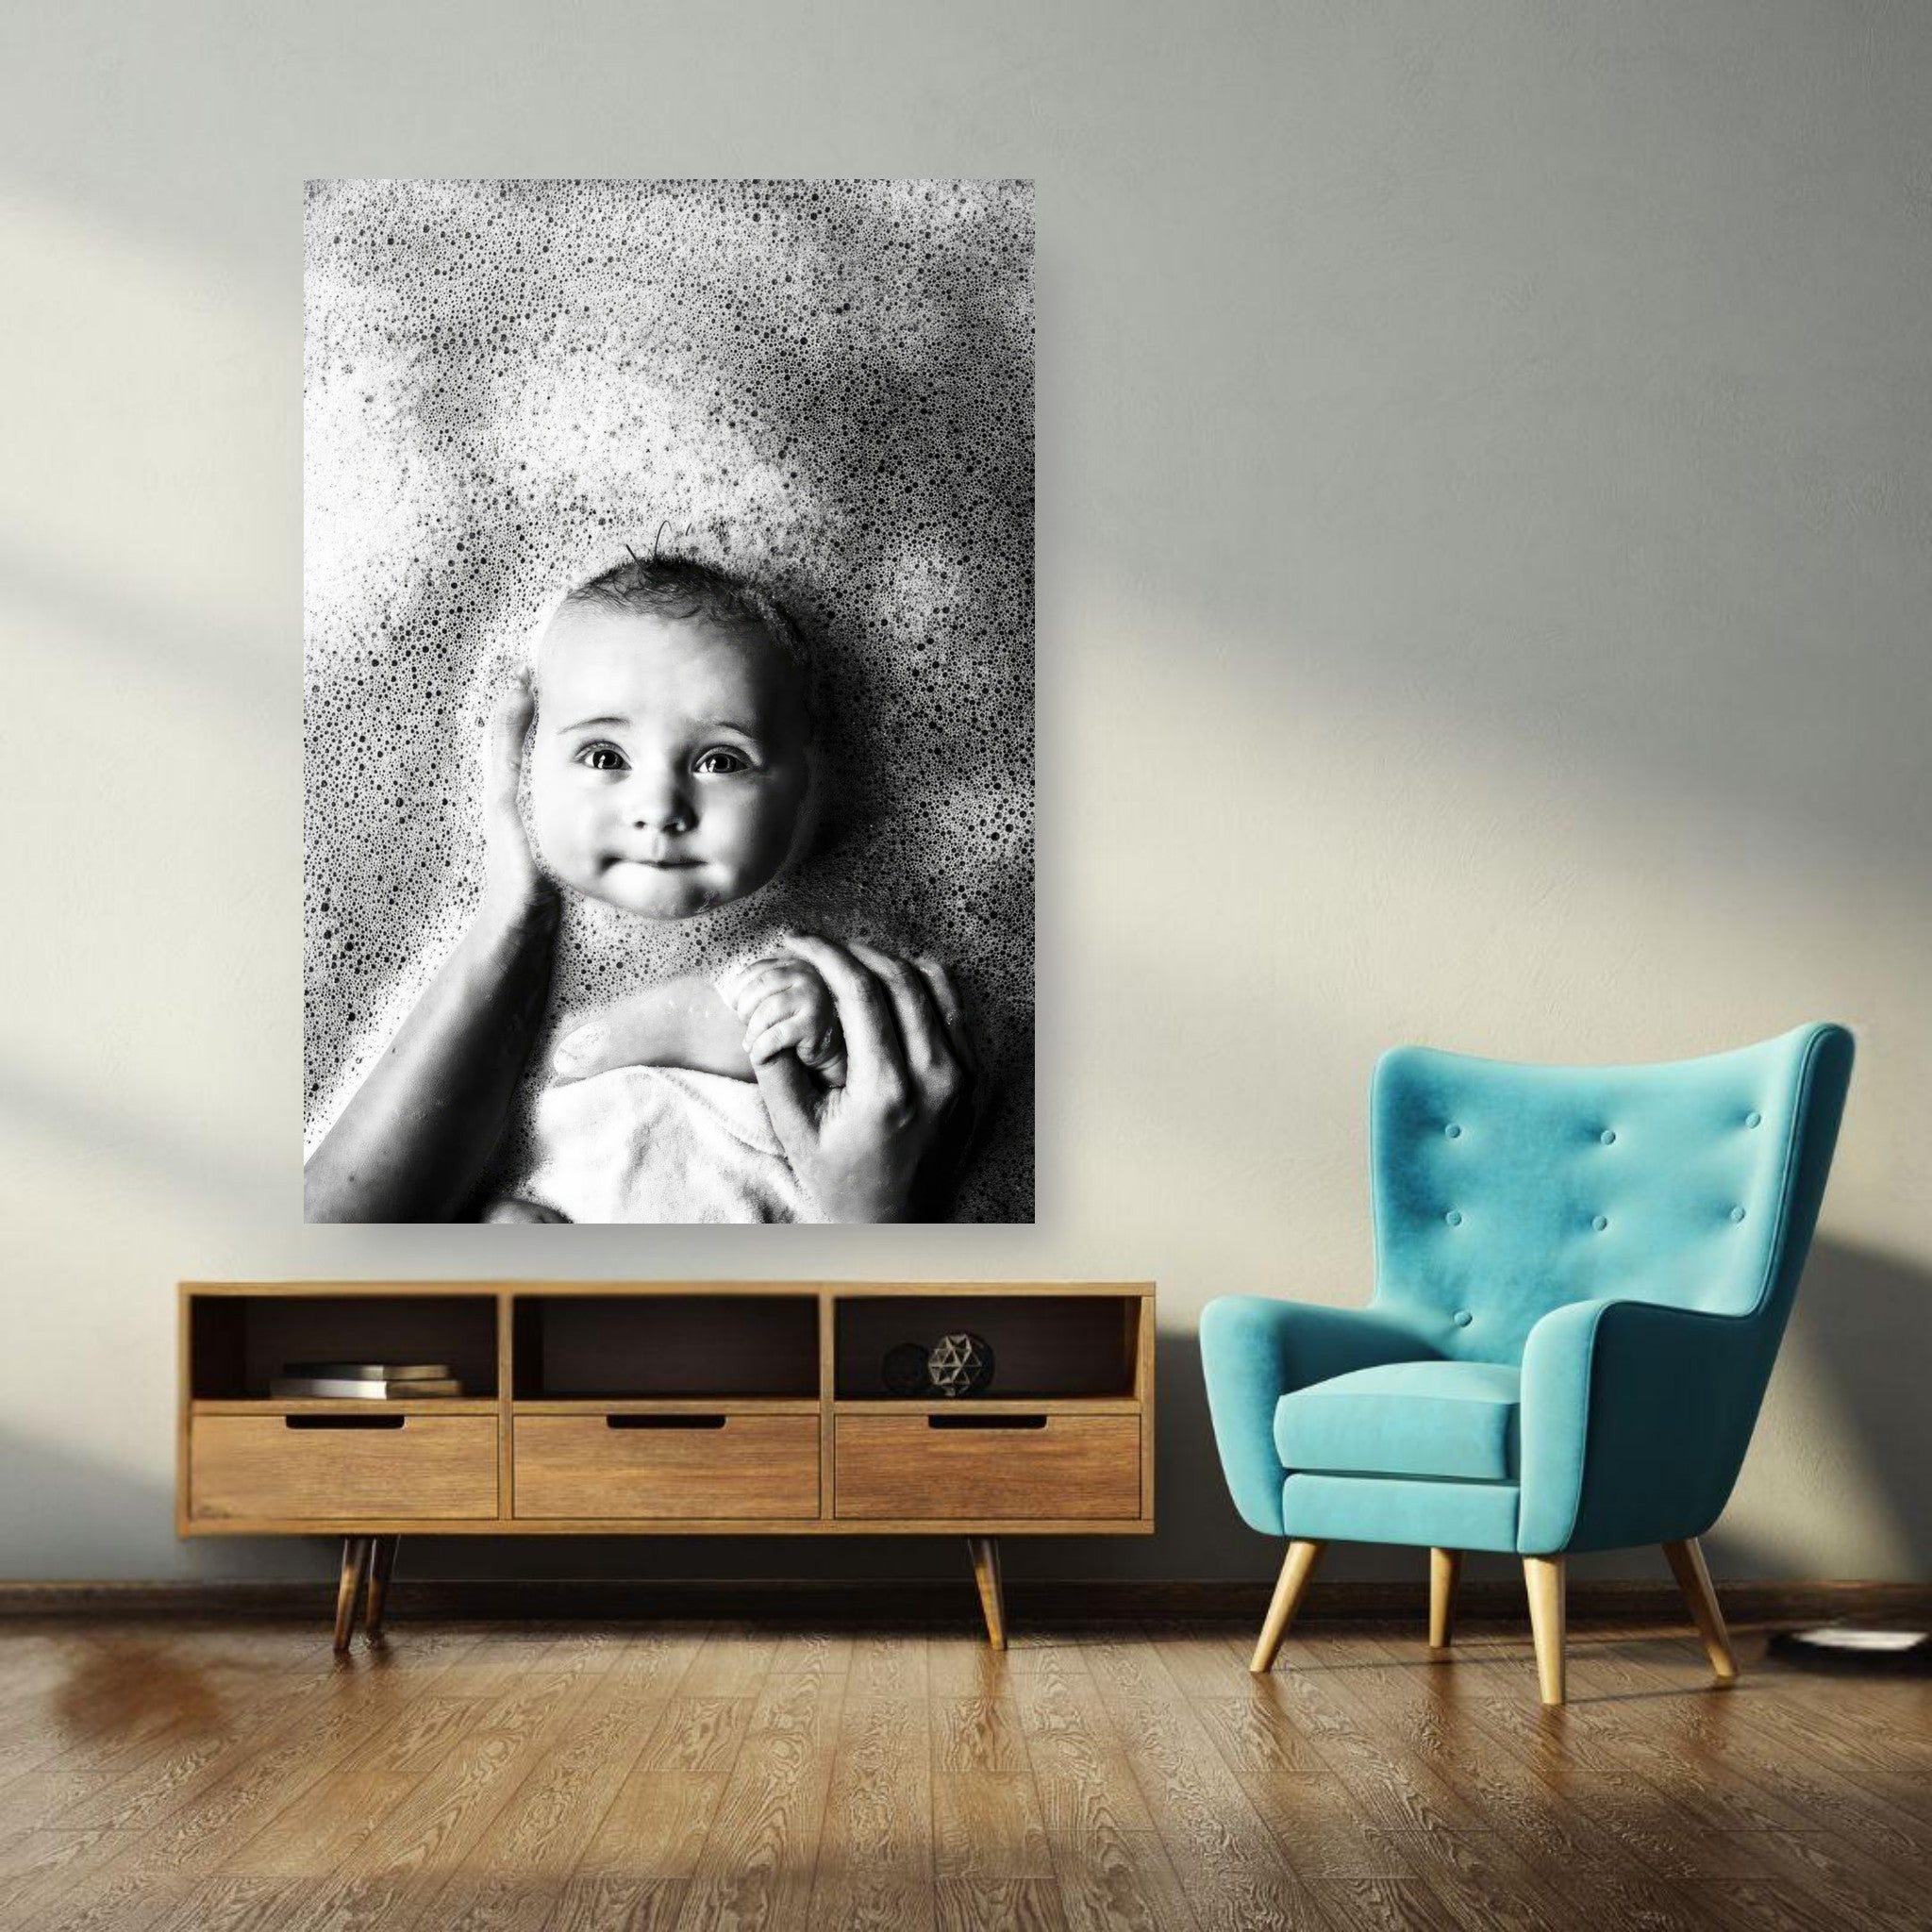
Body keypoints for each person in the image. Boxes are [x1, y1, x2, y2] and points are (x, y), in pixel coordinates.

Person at [303, 553, 976, 1224]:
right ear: (529, 767)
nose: (661, 807)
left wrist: (822, 1039)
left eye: (720, 760)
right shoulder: (530, 1008)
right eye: (605, 757)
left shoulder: (831, 962)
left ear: (808, 781)